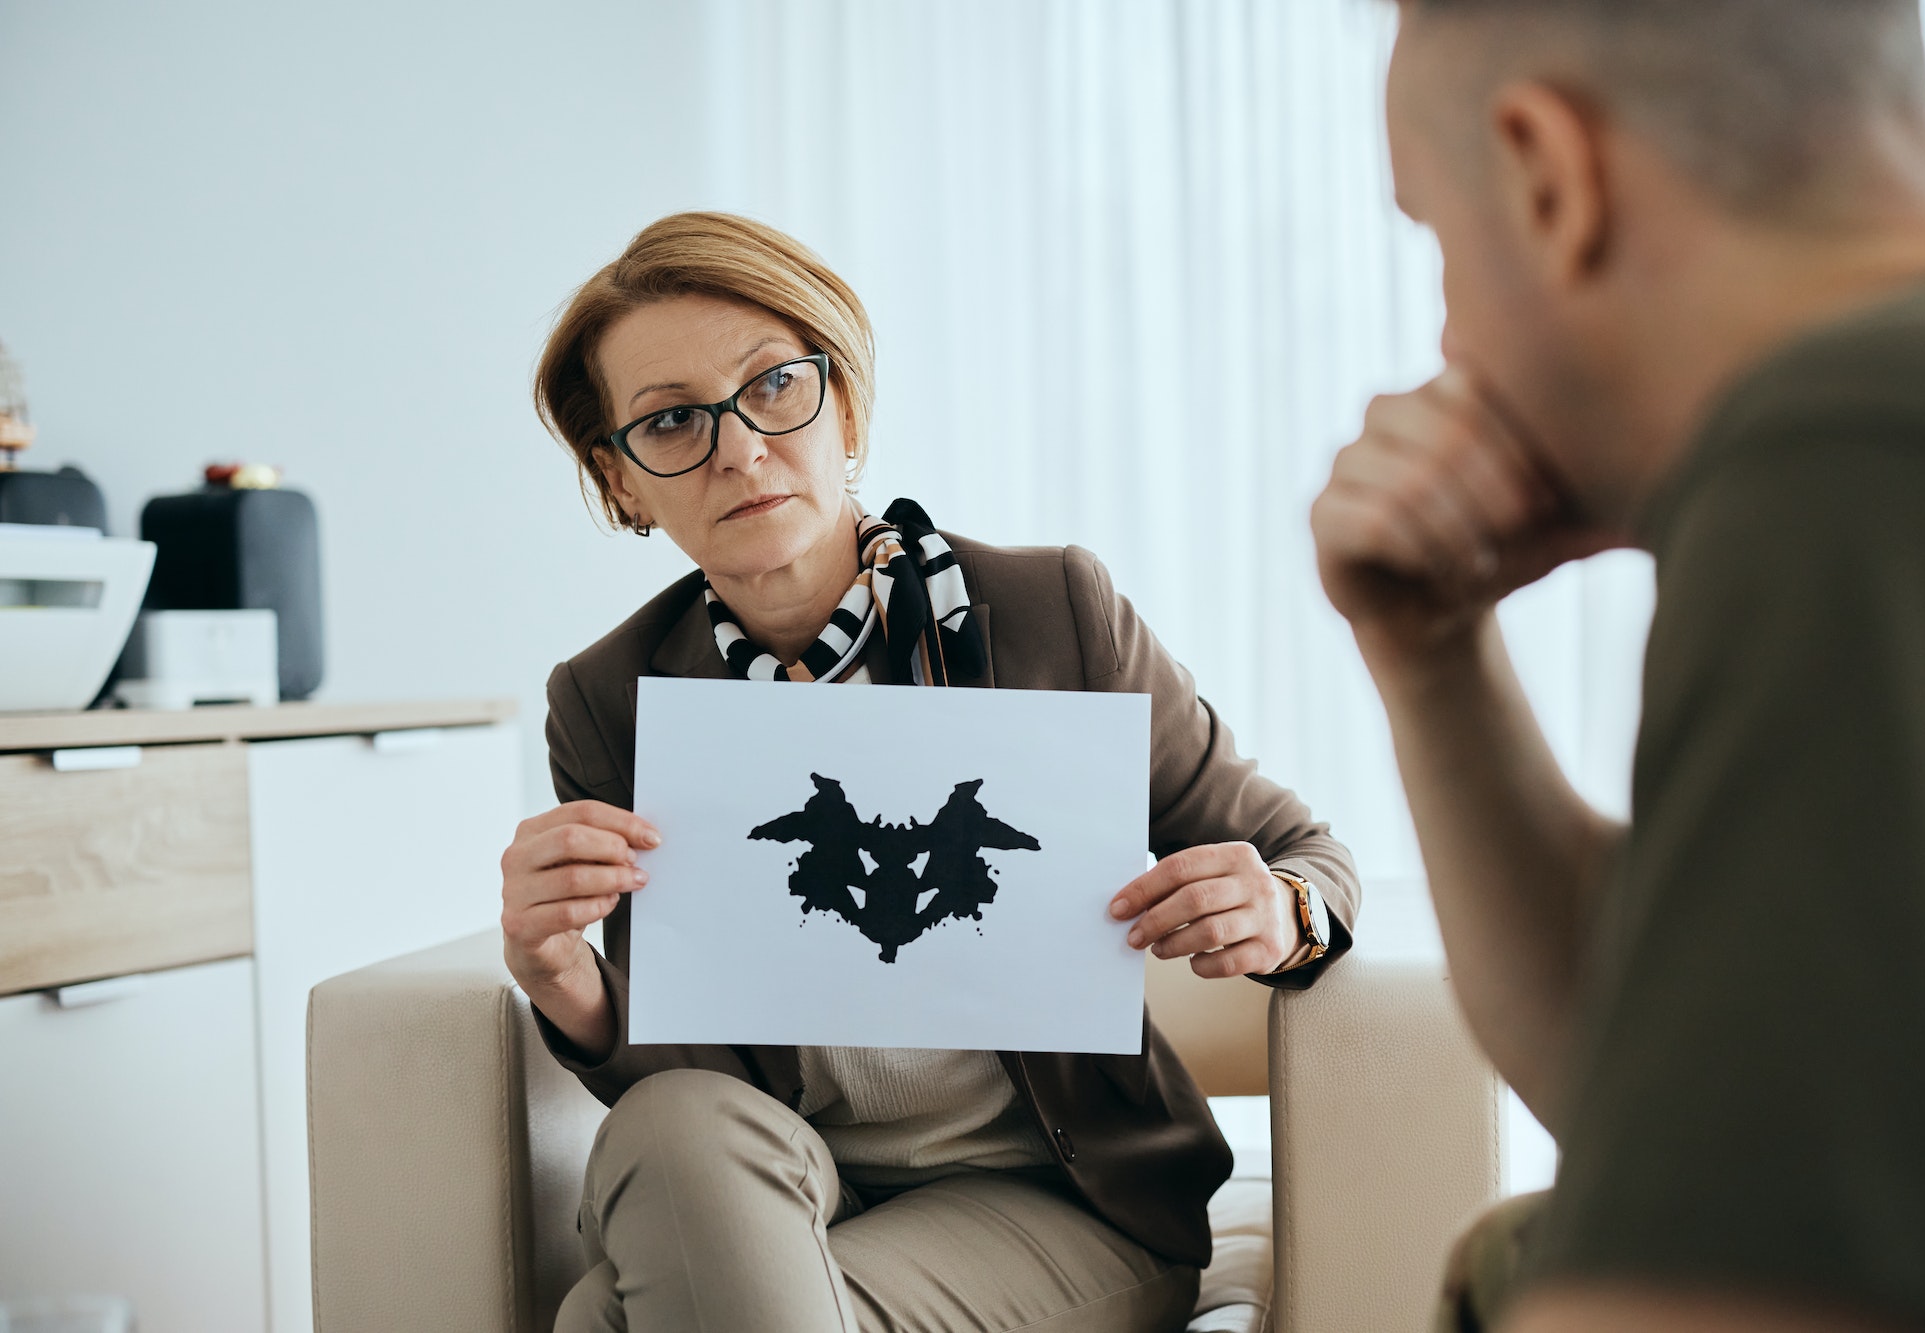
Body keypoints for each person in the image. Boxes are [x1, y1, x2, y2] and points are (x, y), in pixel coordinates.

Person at [501, 211, 1360, 1333]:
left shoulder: (1053, 613)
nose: (740, 449)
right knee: (665, 1126)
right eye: (671, 422)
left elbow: (1310, 859)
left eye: (773, 387)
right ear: (622, 482)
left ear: (843, 406)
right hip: (793, 1182)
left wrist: (1273, 904)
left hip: (1060, 1196)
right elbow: (685, 1065)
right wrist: (563, 977)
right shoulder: (610, 697)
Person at [1310, 2, 1925, 1331]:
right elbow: (1656, 1104)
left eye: (1437, 240)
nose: (1450, 344)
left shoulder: (1847, 456)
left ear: (1548, 176)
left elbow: (1711, 1291)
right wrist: (1429, 655)